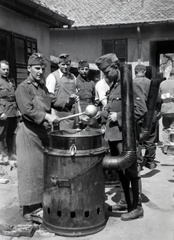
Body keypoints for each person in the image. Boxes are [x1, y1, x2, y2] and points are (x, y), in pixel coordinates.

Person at [95, 53, 147, 221]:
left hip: (125, 137)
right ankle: (127, 201)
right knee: (121, 171)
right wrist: (99, 114)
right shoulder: (115, 85)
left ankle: (137, 206)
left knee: (131, 171)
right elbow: (111, 110)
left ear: (116, 68)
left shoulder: (129, 85)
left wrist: (120, 116)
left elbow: (140, 110)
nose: (105, 75)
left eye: (107, 71)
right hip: (114, 136)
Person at [15, 53, 60, 222]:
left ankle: (37, 206)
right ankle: (31, 211)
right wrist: (47, 117)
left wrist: (69, 101)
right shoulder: (23, 88)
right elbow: (27, 111)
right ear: (29, 69)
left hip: (40, 133)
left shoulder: (42, 87)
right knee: (31, 172)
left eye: (42, 68)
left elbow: (53, 101)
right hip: (28, 134)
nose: (40, 71)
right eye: (37, 68)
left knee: (41, 171)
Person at [133, 64, 159, 169]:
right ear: (144, 72)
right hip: (150, 113)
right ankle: (150, 161)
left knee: (137, 138)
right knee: (151, 137)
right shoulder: (151, 83)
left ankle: (138, 162)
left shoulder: (131, 83)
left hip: (137, 113)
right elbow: (158, 99)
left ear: (135, 72)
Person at [46, 53, 79, 130]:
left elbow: (77, 95)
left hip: (72, 114)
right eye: (63, 64)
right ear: (58, 64)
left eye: (67, 65)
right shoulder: (53, 77)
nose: (65, 67)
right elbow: (49, 98)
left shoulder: (73, 77)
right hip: (59, 115)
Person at [0, 60, 19, 160]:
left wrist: (18, 110)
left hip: (12, 110)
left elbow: (14, 96)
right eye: (3, 69)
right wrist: (0, 112)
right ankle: (2, 154)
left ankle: (10, 153)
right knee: (2, 134)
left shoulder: (11, 81)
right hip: (3, 110)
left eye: (7, 69)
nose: (6, 71)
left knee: (11, 133)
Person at [76, 60, 96, 128]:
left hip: (91, 109)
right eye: (82, 69)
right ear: (78, 70)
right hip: (80, 109)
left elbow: (93, 97)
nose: (84, 71)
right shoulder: (75, 81)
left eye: (86, 69)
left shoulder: (92, 83)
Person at [160, 67, 174, 154]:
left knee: (166, 128)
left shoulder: (162, 83)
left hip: (164, 108)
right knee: (173, 128)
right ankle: (172, 147)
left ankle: (165, 147)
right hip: (173, 109)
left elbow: (158, 96)